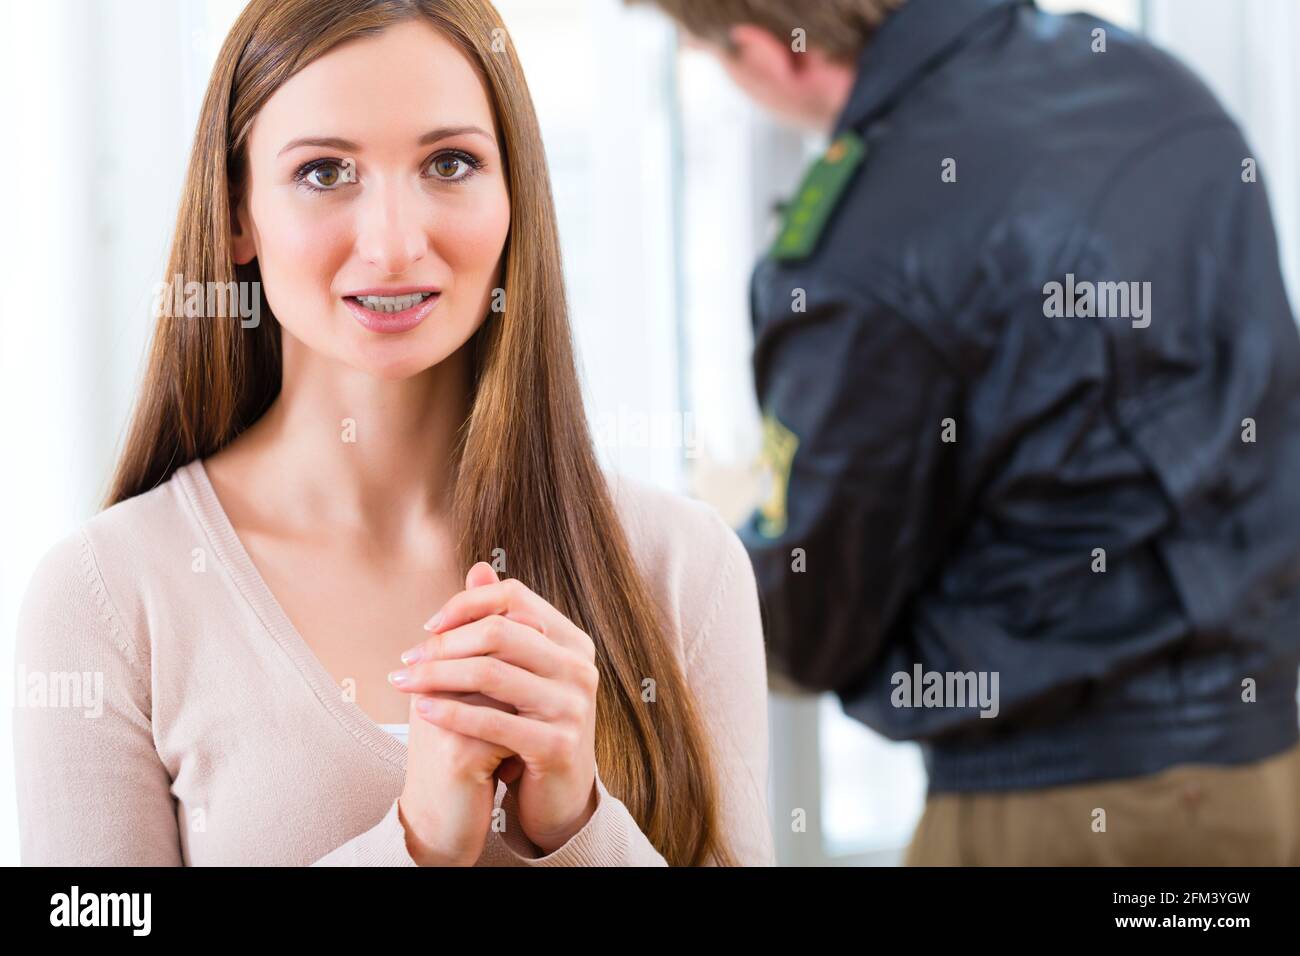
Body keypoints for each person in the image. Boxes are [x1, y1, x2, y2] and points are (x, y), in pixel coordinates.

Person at [13, 0, 774, 867]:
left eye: (449, 163)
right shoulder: (106, 598)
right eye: (325, 173)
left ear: (515, 193)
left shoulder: (683, 569)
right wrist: (415, 846)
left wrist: (578, 831)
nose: (393, 244)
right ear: (235, 215)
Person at [632, 0, 1300, 864]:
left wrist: (711, 548)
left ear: (769, 51)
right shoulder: (1148, 84)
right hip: (1267, 766)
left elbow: (812, 621)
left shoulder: (866, 247)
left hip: (1066, 811)